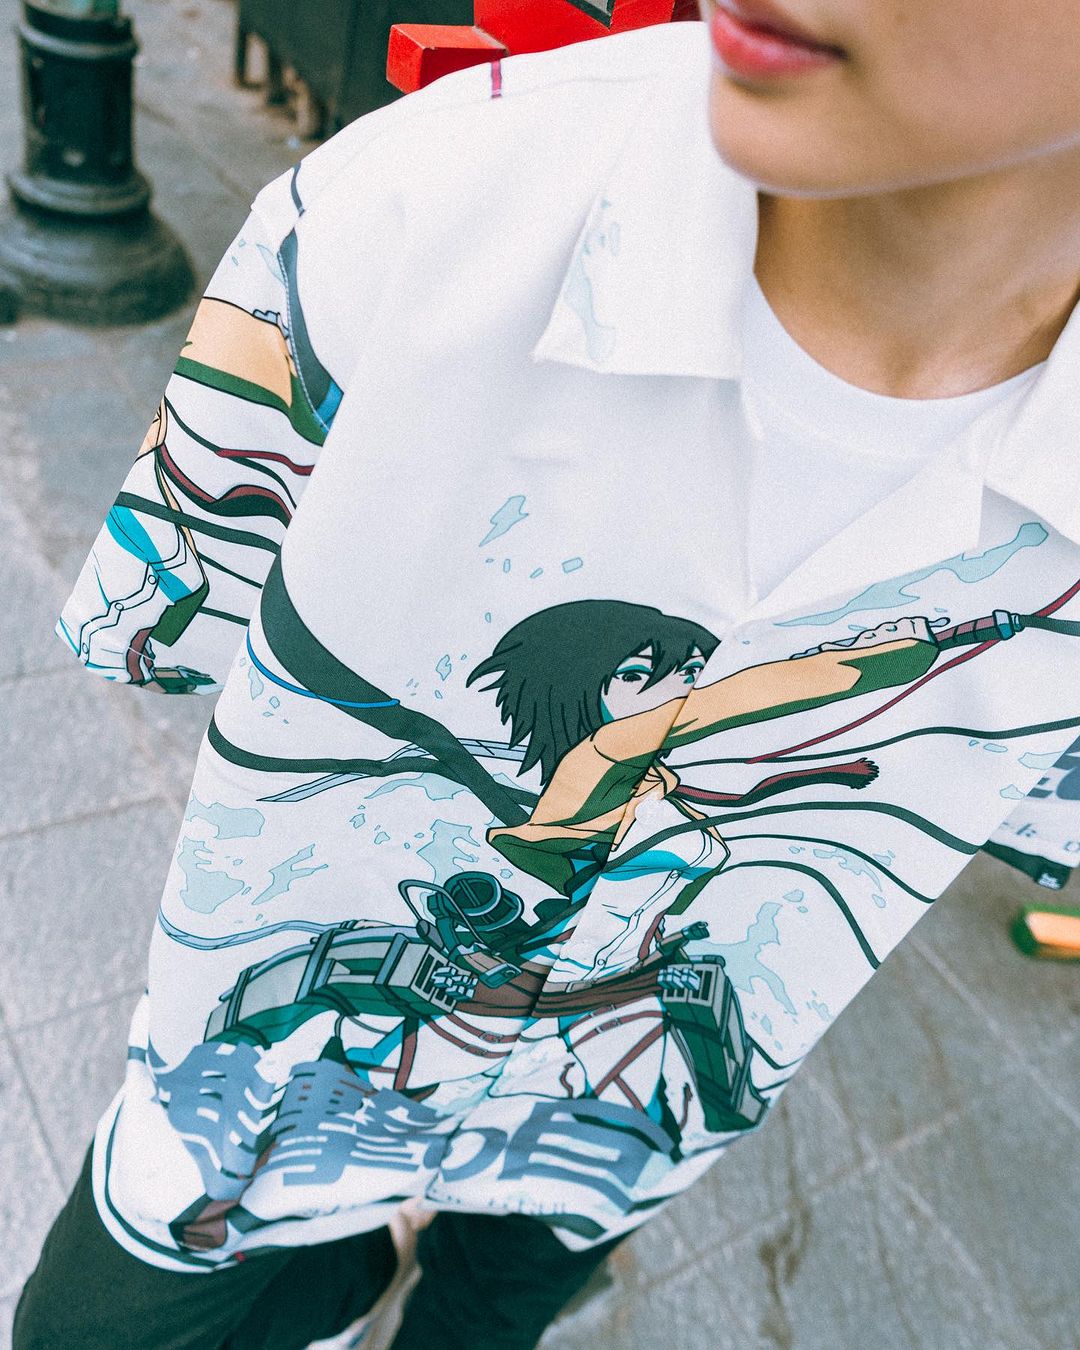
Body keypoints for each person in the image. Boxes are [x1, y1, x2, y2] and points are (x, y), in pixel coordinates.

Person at [14, 1, 1080, 1346]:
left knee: (489, 1317)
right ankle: (348, 1266)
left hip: (620, 1123)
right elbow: (167, 617)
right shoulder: (407, 209)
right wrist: (910, 656)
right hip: (261, 1094)